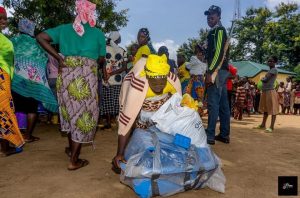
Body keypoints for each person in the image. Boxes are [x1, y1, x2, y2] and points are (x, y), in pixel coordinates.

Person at [37, 0, 106, 170]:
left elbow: (40, 37)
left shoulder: (64, 29)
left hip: (66, 75)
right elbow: (102, 58)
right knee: (84, 114)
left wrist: (60, 57)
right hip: (86, 78)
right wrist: (89, 61)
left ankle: (71, 149)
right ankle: (74, 160)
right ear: (90, 13)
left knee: (70, 112)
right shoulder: (98, 33)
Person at [112, 54, 181, 170]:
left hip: (163, 103)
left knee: (164, 131)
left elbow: (179, 110)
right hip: (141, 103)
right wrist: (119, 153)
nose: (159, 86)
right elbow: (127, 119)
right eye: (155, 82)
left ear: (166, 77)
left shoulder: (173, 81)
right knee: (140, 132)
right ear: (148, 77)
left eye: (162, 82)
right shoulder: (138, 85)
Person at [11, 18, 58, 142]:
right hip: (32, 82)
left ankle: (11, 136)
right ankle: (27, 136)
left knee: (11, 109)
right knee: (31, 109)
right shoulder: (36, 43)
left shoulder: (13, 41)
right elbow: (44, 58)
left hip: (15, 81)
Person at [0, 6, 25, 156]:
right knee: (4, 111)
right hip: (1, 77)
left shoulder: (4, 38)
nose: (3, 21)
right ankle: (5, 148)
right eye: (0, 19)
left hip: (5, 77)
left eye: (5, 19)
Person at [204, 5, 230, 145]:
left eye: (212, 14)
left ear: (219, 16)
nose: (209, 17)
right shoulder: (213, 31)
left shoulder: (219, 30)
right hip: (222, 71)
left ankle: (210, 135)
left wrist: (210, 71)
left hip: (218, 71)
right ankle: (224, 134)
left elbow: (219, 52)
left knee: (213, 102)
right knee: (223, 104)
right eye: (208, 15)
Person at [101, 31, 127, 129]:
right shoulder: (123, 51)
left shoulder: (104, 49)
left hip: (106, 78)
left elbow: (103, 64)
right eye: (120, 37)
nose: (120, 39)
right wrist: (111, 74)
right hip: (117, 80)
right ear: (117, 39)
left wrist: (106, 75)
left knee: (107, 100)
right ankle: (116, 121)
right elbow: (124, 67)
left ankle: (108, 122)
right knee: (116, 101)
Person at [255, 56, 279, 132]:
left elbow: (265, 80)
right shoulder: (270, 70)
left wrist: (262, 79)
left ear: (275, 62)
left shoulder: (274, 70)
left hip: (270, 91)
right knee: (265, 109)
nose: (269, 62)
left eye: (271, 61)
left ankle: (271, 127)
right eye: (268, 61)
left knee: (272, 109)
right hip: (265, 91)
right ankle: (263, 124)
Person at [185, 45, 207, 115]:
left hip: (199, 79)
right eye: (198, 51)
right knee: (193, 96)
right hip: (195, 79)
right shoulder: (194, 58)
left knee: (199, 97)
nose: (199, 53)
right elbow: (188, 66)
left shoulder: (204, 62)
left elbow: (203, 71)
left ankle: (198, 112)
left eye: (201, 52)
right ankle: (193, 112)